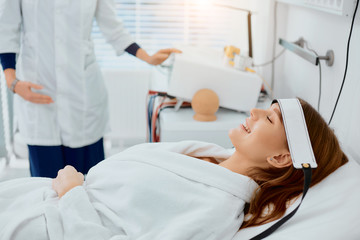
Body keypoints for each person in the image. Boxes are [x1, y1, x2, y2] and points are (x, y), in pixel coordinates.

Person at [0, 98, 348, 240]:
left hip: (49, 227)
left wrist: (74, 193)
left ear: (281, 159)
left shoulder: (219, 209)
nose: (254, 113)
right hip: (36, 195)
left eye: (269, 118)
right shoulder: (208, 155)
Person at [0, 0, 181, 178]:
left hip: (83, 98)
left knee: (89, 186)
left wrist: (147, 57)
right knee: (46, 188)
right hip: (38, 95)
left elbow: (113, 27)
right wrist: (12, 80)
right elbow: (7, 27)